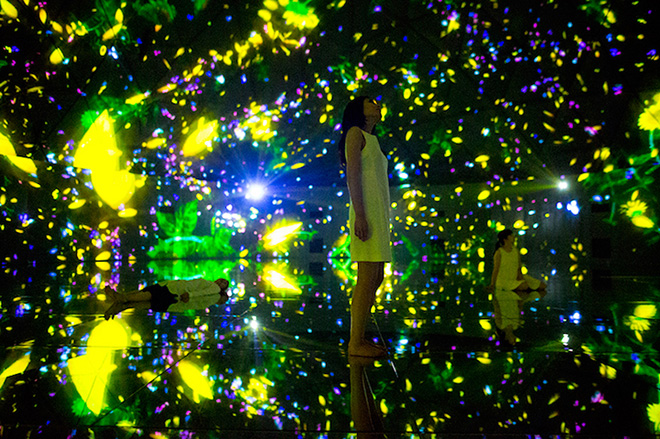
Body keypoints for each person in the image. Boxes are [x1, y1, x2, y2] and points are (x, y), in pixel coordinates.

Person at [339, 96, 391, 358]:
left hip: (378, 214)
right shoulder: (354, 133)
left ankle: (360, 336)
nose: (378, 104)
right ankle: (355, 342)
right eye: (371, 102)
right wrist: (360, 214)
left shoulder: (373, 139)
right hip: (366, 212)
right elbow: (353, 175)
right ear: (359, 110)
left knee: (377, 276)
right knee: (367, 276)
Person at [103, 278, 230, 320]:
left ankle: (122, 298)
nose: (221, 281)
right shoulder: (212, 294)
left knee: (149, 294)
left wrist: (189, 295)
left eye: (224, 283)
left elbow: (202, 292)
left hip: (175, 290)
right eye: (222, 280)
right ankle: (122, 303)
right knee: (149, 302)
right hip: (176, 300)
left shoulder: (214, 288)